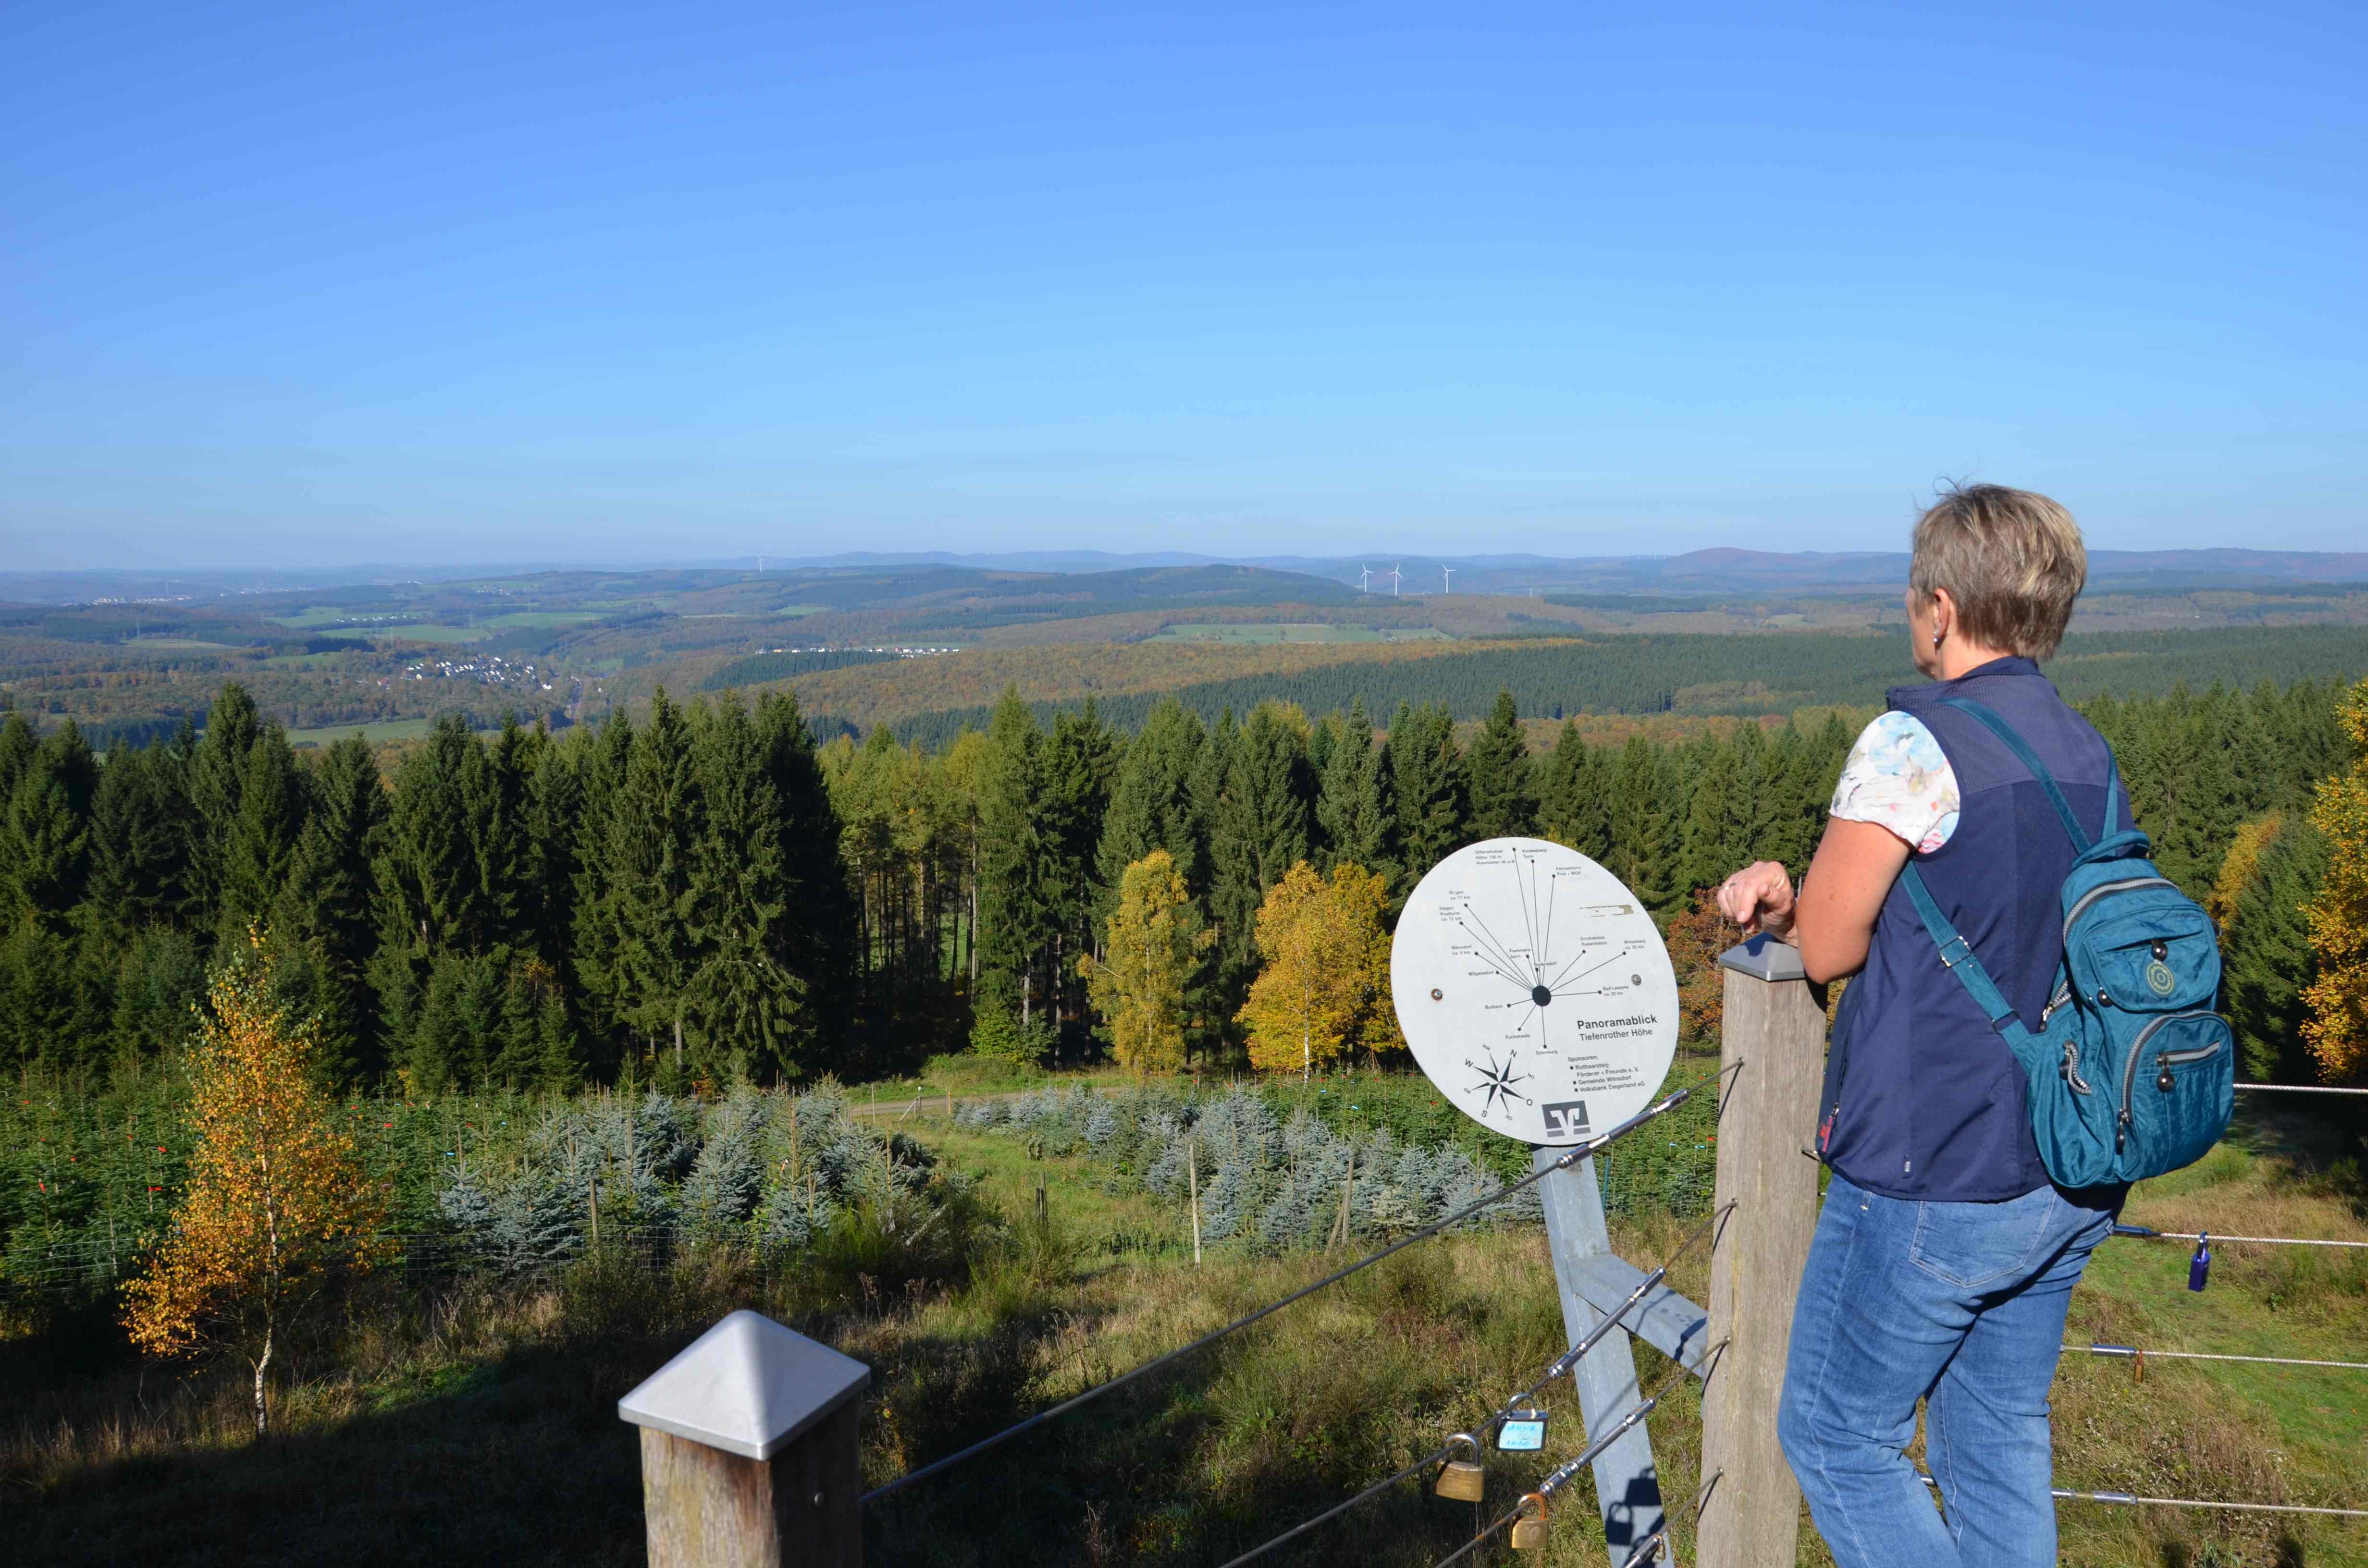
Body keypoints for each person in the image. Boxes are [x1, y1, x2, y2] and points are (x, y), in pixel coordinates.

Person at [1715, 484, 2125, 1568]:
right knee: (1993, 1442)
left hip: (1933, 1167)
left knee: (1834, 1436)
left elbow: (1833, 946)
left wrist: (1778, 903)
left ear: (1939, 608)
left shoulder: (1909, 742)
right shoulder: (2085, 749)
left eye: (1913, 596)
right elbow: (1998, 915)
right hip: (2065, 1166)